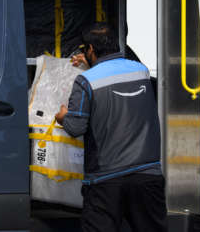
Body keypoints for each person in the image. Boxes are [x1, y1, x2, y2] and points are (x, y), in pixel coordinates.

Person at [55, 23, 167, 232]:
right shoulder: (140, 72)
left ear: (90, 49)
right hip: (147, 177)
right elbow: (116, 85)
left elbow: (76, 127)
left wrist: (63, 117)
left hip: (106, 181)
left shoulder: (85, 81)